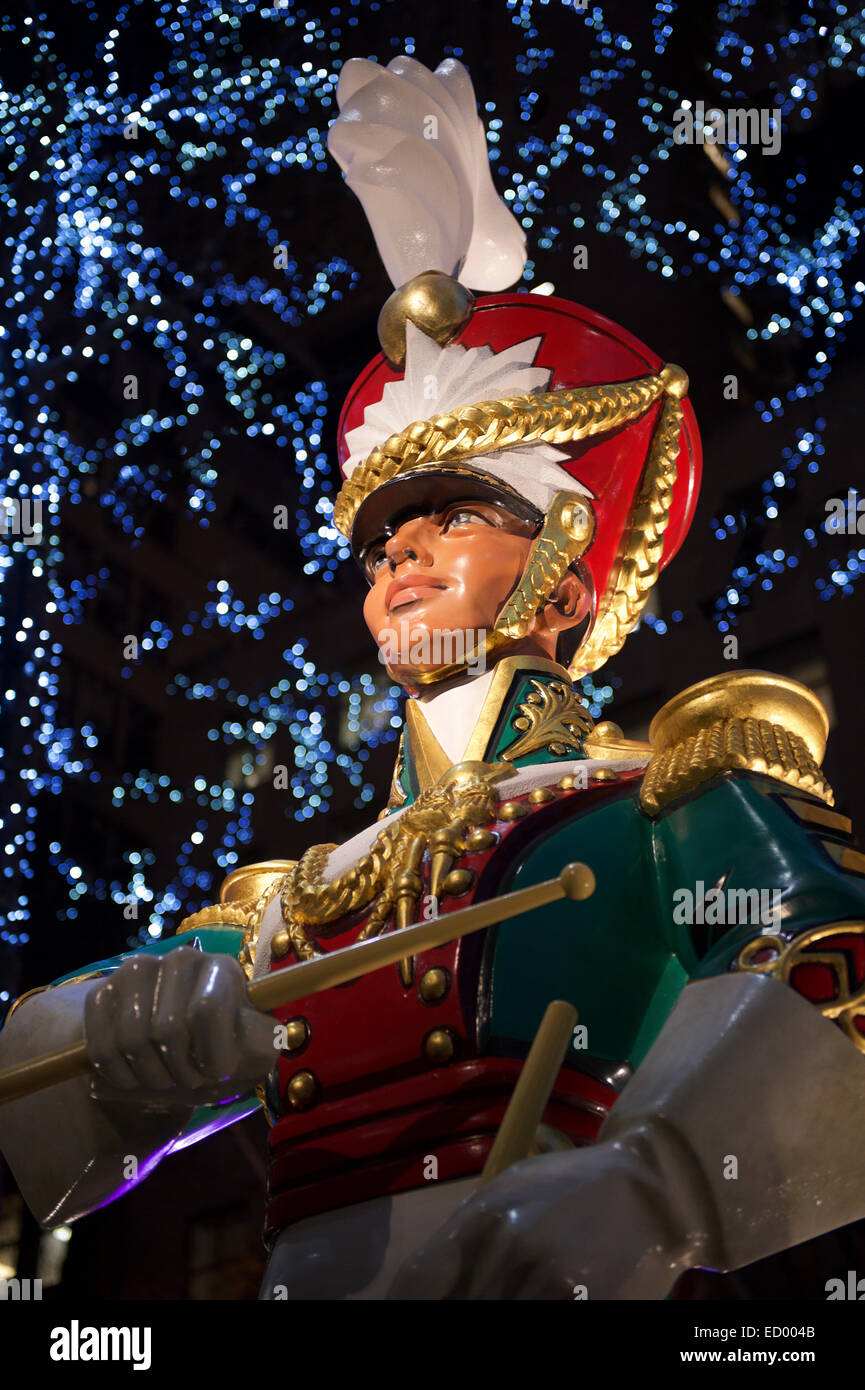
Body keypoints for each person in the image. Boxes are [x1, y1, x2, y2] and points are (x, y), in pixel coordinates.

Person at [2, 55, 865, 1302]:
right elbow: (50, 1104)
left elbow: (834, 957)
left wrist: (661, 1182)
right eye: (379, 540)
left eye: (455, 516)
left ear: (564, 583)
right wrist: (123, 1033)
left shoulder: (668, 795)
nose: (398, 549)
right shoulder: (290, 902)